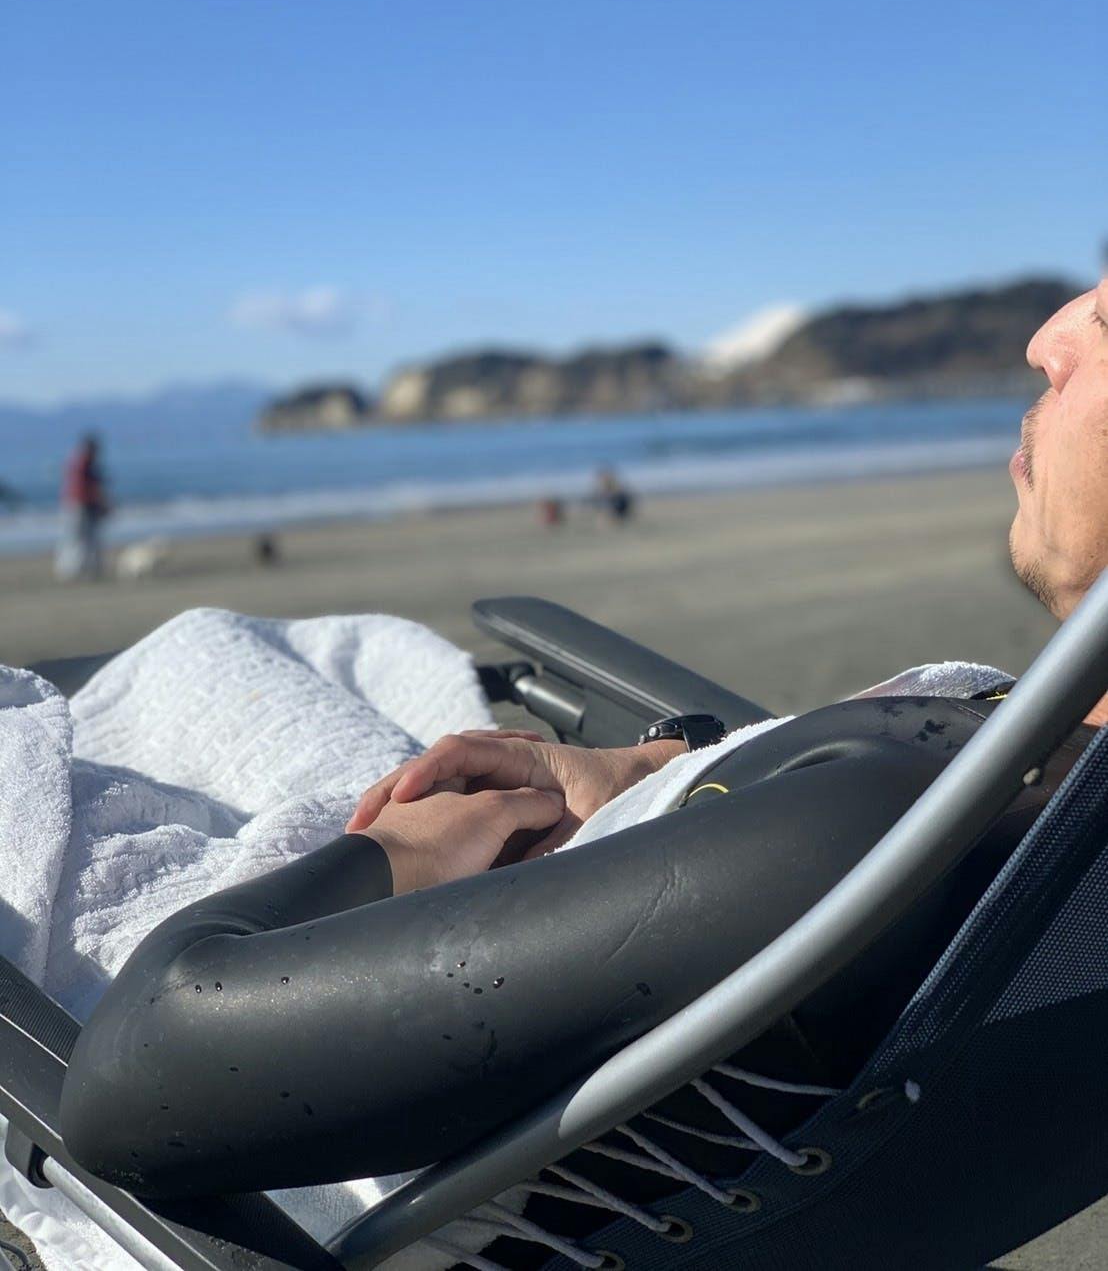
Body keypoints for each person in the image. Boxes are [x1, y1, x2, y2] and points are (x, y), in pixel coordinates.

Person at [60, 282, 1108, 1212]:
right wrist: (653, 771)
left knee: (185, 663)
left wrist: (400, 853)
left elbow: (134, 1076)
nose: (1046, 340)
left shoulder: (884, 827)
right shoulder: (1048, 815)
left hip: (307, 1096)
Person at [55, 434, 110, 580]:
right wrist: (102, 503)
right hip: (80, 506)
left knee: (80, 539)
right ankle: (77, 570)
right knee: (81, 539)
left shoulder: (77, 464)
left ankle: (78, 569)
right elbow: (90, 488)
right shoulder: (84, 465)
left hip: (77, 505)